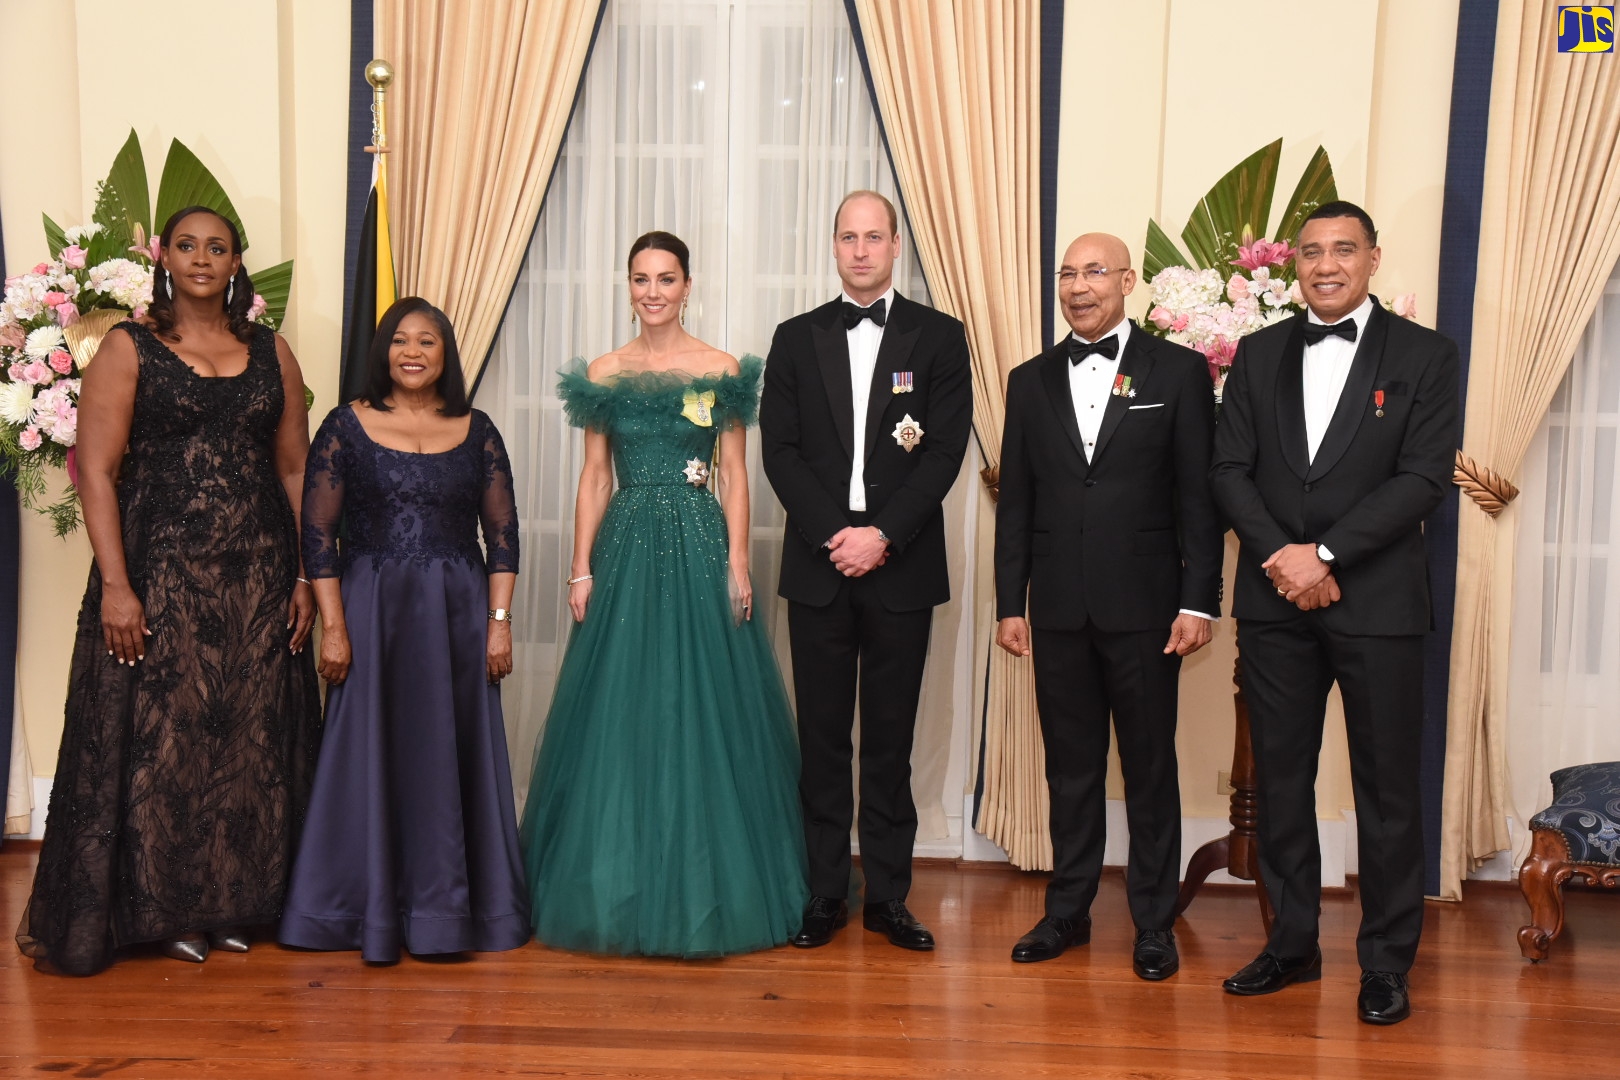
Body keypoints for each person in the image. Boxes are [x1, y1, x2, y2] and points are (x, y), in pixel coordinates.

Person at [17, 206, 322, 974]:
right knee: (167, 742)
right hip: (161, 578)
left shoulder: (271, 353)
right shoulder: (129, 348)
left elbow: (295, 467)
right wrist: (117, 585)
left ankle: (239, 904)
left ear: (235, 264)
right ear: (164, 257)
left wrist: (306, 573)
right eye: (187, 245)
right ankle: (166, 911)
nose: (201, 258)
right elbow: (96, 471)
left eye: (216, 248)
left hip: (256, 579)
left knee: (248, 741)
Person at [520, 231, 807, 957]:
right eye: (642, 278)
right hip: (625, 544)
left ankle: (706, 881)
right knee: (623, 708)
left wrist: (739, 563)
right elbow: (593, 475)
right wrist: (579, 566)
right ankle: (618, 881)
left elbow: (736, 473)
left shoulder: (720, 368)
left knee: (702, 709)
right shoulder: (604, 373)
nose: (654, 291)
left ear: (687, 286)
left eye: (667, 279)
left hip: (699, 540)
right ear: (628, 286)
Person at [1210, 201, 1459, 1024]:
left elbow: (1422, 480)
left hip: (1379, 604)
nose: (1325, 265)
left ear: (1373, 259)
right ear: (1294, 265)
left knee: (1387, 791)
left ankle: (1386, 964)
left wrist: (1325, 555)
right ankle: (1291, 946)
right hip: (1275, 603)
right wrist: (1287, 558)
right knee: (1281, 782)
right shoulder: (1257, 354)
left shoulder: (1425, 355)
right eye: (1311, 252)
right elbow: (1229, 470)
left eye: (1343, 250)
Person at [994, 233, 1222, 976]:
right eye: (1067, 272)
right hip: (1056, 609)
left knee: (1150, 769)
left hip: (1149, 609)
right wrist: (1009, 602)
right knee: (1071, 771)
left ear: (1128, 281)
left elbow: (1200, 499)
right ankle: (1068, 913)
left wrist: (1200, 602)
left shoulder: (1180, 372)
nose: (1079, 285)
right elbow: (1017, 504)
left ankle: (1154, 921)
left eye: (1095, 271)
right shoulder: (1028, 381)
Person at [278, 297, 530, 962]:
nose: (412, 351)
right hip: (370, 609)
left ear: (446, 355)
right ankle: (357, 911)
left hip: (458, 612)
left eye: (427, 341)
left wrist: (498, 625)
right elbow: (319, 531)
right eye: (400, 340)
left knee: (453, 750)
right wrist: (334, 626)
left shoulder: (477, 430)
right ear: (383, 351)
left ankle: (449, 913)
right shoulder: (346, 424)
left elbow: (503, 534)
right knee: (368, 750)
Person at [759, 191, 972, 950]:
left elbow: (944, 452)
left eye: (873, 237)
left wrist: (880, 534)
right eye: (847, 237)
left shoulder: (940, 338)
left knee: (889, 740)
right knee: (822, 741)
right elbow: (777, 452)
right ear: (834, 245)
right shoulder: (794, 338)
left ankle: (889, 896)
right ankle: (824, 894)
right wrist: (836, 535)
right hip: (820, 570)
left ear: (895, 246)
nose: (859, 250)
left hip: (901, 567)